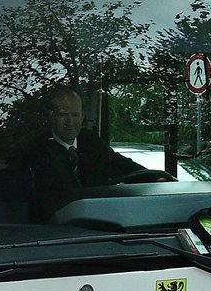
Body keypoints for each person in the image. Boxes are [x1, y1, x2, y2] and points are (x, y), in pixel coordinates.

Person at [26, 88, 146, 222]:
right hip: (56, 229)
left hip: (101, 224)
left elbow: (120, 164)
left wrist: (154, 178)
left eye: (75, 115)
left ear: (82, 116)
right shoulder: (36, 150)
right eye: (63, 115)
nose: (70, 122)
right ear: (52, 116)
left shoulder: (91, 142)